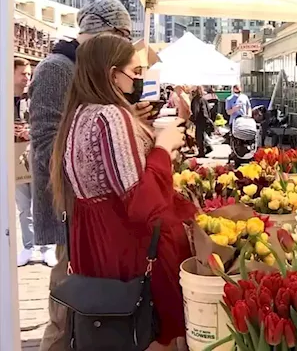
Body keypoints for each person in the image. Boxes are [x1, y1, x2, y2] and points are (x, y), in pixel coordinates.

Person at [49, 33, 194, 349]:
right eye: (135, 72)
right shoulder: (110, 116)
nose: (138, 79)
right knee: (147, 326)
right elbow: (140, 202)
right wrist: (162, 146)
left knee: (113, 323)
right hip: (129, 244)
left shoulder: (80, 113)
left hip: (95, 241)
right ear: (112, 73)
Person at [27, 0, 153, 351]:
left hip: (84, 205)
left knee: (87, 297)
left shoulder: (76, 66)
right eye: (123, 36)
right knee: (70, 300)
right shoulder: (57, 67)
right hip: (70, 204)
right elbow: (46, 143)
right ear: (106, 32)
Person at [13, 58, 37, 267]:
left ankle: (46, 248)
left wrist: (30, 131)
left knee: (41, 202)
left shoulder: (34, 98)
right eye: (23, 73)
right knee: (23, 206)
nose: (27, 78)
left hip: (35, 153)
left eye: (29, 74)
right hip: (14, 156)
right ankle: (28, 246)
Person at [191, 86, 214, 157]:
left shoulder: (196, 100)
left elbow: (196, 111)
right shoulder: (203, 99)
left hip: (200, 120)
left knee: (199, 137)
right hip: (204, 119)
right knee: (202, 136)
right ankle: (206, 148)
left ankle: (202, 151)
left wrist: (193, 118)